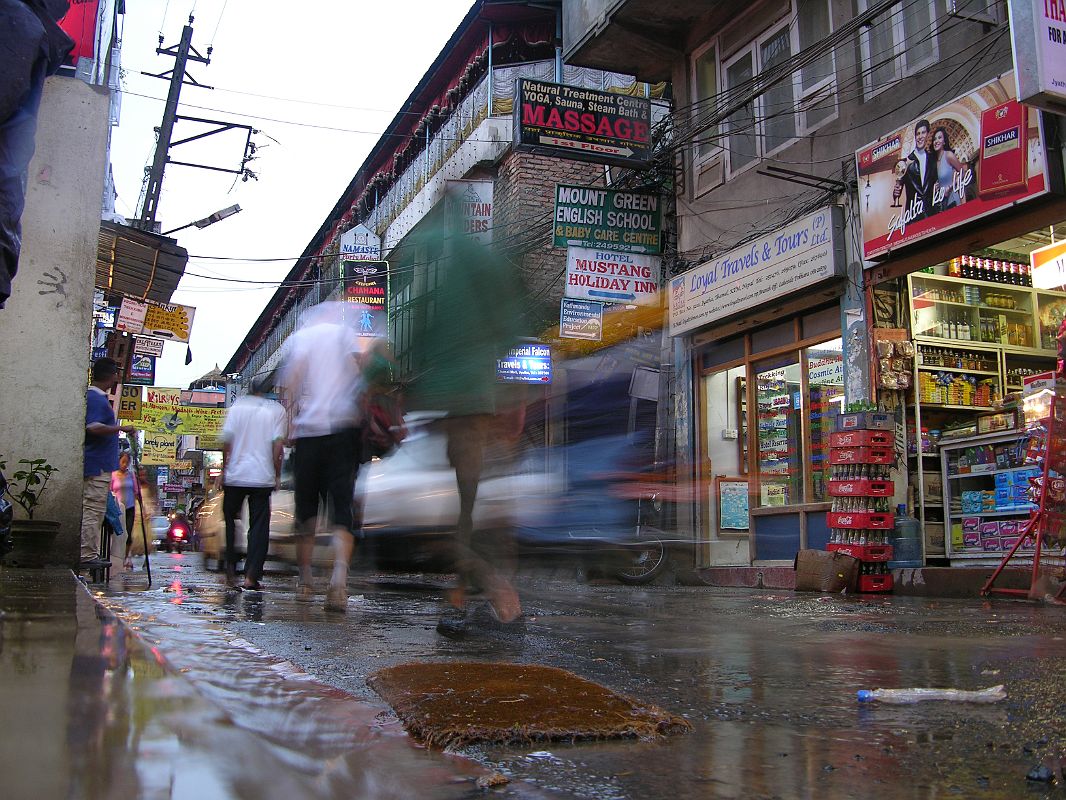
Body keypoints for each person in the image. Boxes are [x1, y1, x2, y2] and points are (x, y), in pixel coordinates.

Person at [407, 219, 527, 637]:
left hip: (461, 411)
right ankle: (468, 598)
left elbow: (420, 342)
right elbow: (512, 330)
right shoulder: (488, 274)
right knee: (477, 510)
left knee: (464, 515)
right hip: (483, 408)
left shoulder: (442, 283)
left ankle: (498, 597)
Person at [278, 302, 365, 612]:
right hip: (342, 428)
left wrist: (289, 419)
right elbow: (356, 370)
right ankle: (338, 583)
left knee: (307, 513)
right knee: (342, 509)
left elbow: (295, 377)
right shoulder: (344, 333)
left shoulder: (304, 336)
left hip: (310, 432)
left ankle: (305, 582)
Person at [220, 372, 285, 591]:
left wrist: (224, 469)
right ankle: (251, 576)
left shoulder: (237, 407)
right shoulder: (276, 411)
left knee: (231, 522)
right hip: (261, 477)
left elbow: (226, 442)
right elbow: (278, 448)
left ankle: (230, 573)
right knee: (258, 527)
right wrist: (277, 474)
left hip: (236, 475)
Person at [83, 358, 137, 569]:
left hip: (101, 464)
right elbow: (93, 427)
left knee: (95, 510)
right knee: (92, 509)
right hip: (96, 464)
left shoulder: (99, 398)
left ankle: (88, 552)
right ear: (111, 376)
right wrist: (120, 429)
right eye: (116, 374)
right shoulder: (95, 398)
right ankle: (86, 554)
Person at [893, 118, 936, 219]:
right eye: (918, 134)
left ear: (928, 134)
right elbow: (897, 192)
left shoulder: (933, 159)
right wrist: (895, 193)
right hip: (913, 216)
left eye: (923, 133)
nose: (920, 137)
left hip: (932, 213)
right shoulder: (905, 162)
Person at [111, 451, 139, 570]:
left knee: (128, 533)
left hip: (130, 507)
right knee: (116, 533)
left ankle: (126, 557)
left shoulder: (131, 475)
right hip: (117, 508)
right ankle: (114, 555)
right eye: (123, 462)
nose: (125, 465)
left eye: (127, 463)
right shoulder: (113, 475)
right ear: (118, 461)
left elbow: (136, 491)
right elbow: (110, 491)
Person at [931, 126, 966, 212]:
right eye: (935, 139)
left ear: (944, 142)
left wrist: (950, 187)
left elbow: (963, 173)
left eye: (939, 138)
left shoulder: (948, 155)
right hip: (941, 204)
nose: (936, 141)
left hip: (953, 199)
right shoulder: (933, 162)